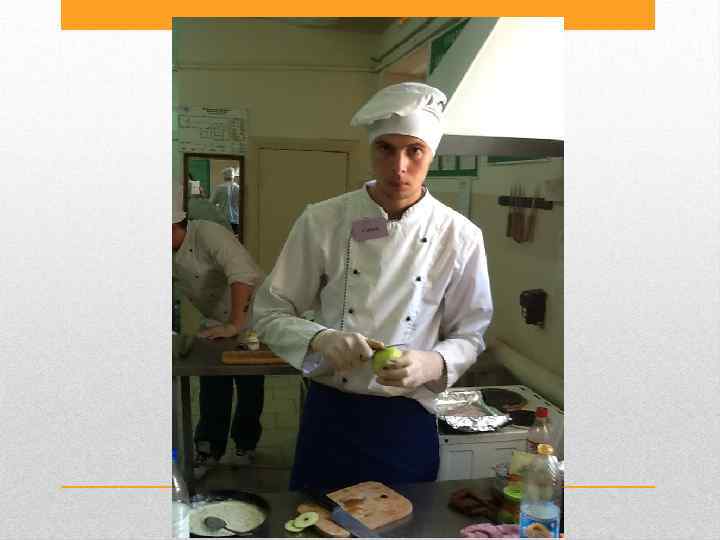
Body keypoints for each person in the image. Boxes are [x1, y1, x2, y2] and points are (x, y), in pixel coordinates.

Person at [250, 82, 493, 491]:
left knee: (407, 520)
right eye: (386, 149)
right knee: (315, 517)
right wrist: (320, 338)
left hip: (407, 417)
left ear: (431, 154)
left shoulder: (460, 235)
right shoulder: (323, 219)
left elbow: (470, 333)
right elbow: (270, 312)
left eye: (414, 150)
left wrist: (433, 363)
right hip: (331, 412)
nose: (399, 166)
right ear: (370, 150)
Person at [172, 206, 265, 475]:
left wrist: (234, 325)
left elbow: (242, 275)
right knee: (212, 381)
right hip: (215, 320)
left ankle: (245, 444)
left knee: (249, 385)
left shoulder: (208, 233)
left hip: (251, 315)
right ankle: (209, 448)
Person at [211, 166, 241, 234]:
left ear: (224, 177)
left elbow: (212, 203)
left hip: (223, 219)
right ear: (233, 177)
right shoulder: (238, 188)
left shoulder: (219, 188)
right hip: (236, 219)